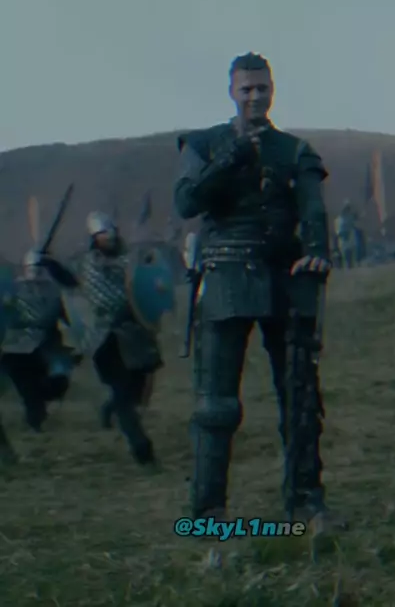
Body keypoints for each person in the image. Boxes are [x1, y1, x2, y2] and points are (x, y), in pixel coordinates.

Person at [173, 51, 345, 529]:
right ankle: (209, 512)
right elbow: (187, 201)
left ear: (272, 91)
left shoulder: (293, 150)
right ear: (232, 92)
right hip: (226, 275)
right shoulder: (204, 144)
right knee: (216, 405)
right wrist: (230, 158)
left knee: (300, 395)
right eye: (246, 89)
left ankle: (305, 501)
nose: (254, 97)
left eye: (262, 88)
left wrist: (317, 250)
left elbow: (313, 207)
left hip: (284, 275)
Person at [40, 212, 162, 467]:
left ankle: (110, 408)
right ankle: (141, 448)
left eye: (110, 233)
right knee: (122, 394)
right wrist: (50, 264)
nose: (109, 238)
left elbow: (149, 285)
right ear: (94, 238)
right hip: (106, 337)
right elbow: (70, 280)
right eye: (102, 235)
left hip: (135, 333)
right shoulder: (87, 263)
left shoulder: (131, 260)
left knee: (136, 392)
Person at [0, 249, 75, 432]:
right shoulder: (13, 290)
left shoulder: (54, 291)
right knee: (29, 390)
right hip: (16, 348)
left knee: (52, 384)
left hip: (43, 347)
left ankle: (37, 418)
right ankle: (35, 423)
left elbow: (67, 316)